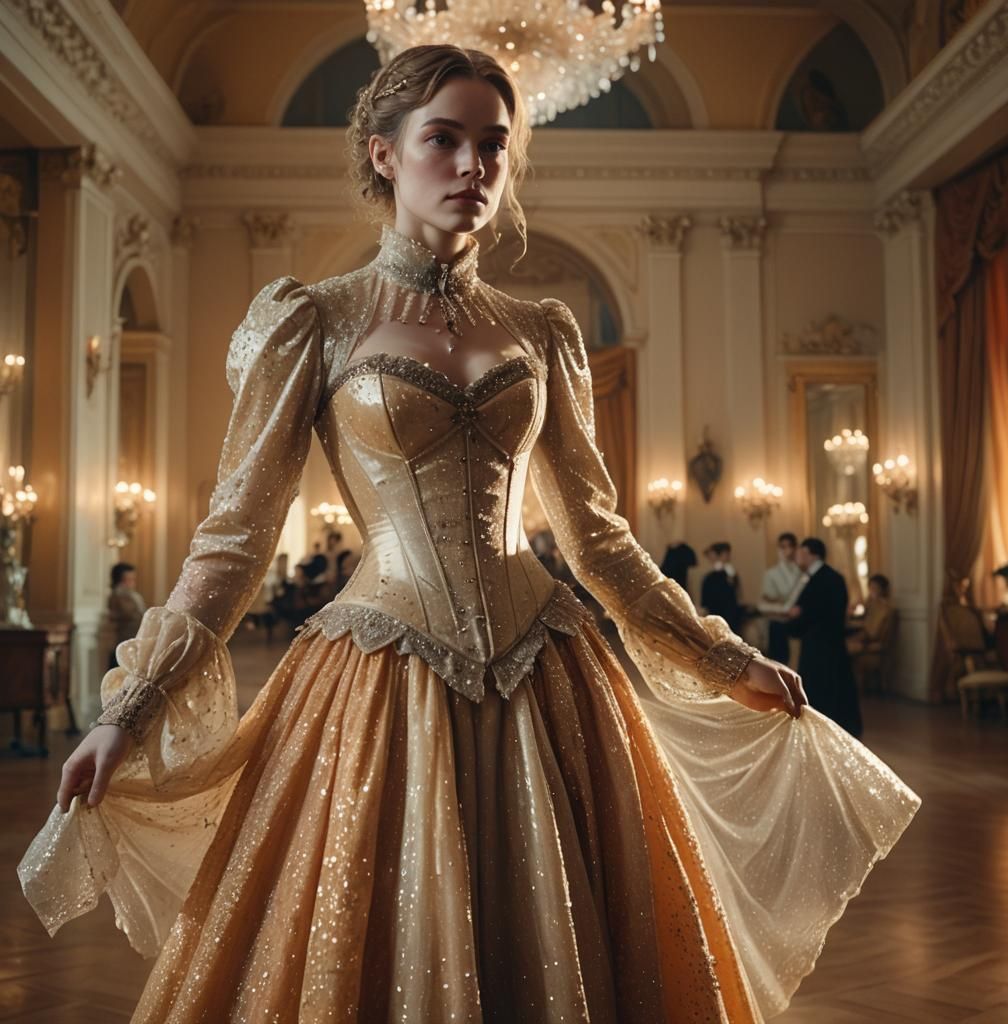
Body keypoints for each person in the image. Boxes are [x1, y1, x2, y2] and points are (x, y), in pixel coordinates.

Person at [19, 46, 918, 1023]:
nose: (471, 166)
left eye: (493, 145)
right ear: (384, 155)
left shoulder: (543, 330)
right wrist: (130, 707)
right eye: (442, 139)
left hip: (549, 668)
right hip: (376, 678)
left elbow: (602, 541)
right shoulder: (313, 322)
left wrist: (719, 654)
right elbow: (234, 540)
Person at [787, 537, 864, 737]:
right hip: (828, 642)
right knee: (833, 686)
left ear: (812, 554)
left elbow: (811, 611)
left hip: (820, 644)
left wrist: (798, 614)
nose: (798, 557)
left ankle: (823, 727)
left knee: (823, 687)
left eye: (801, 553)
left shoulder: (822, 579)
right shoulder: (828, 577)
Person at [757, 532, 804, 664]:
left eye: (790, 546)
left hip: (799, 624)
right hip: (779, 625)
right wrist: (785, 608)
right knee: (780, 662)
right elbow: (764, 602)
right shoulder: (771, 574)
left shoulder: (802, 572)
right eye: (783, 547)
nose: (787, 551)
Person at [848, 573, 896, 692]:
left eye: (875, 588)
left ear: (882, 589)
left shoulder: (886, 609)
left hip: (873, 644)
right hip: (866, 639)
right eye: (870, 588)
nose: (872, 591)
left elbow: (874, 633)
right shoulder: (872, 605)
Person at [106, 562, 146, 670]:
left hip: (134, 639)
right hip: (124, 640)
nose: (132, 582)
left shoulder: (132, 595)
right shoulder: (118, 594)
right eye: (128, 579)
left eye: (133, 579)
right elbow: (129, 614)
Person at [700, 540, 743, 632]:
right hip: (715, 616)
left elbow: (735, 594)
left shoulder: (730, 573)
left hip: (729, 616)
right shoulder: (709, 577)